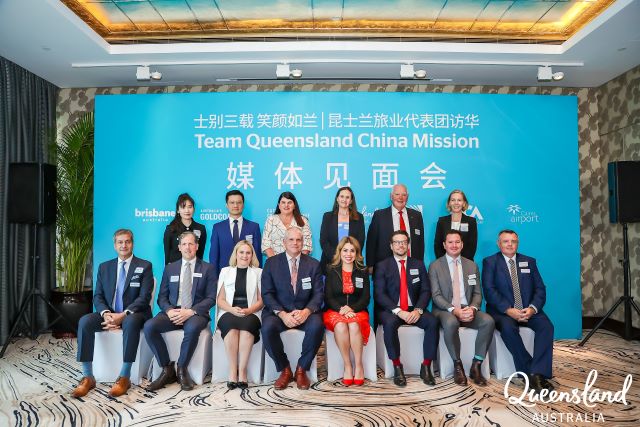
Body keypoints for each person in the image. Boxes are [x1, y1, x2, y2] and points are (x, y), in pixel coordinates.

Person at [72, 229, 153, 398]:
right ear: (115, 245)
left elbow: (144, 297)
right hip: (109, 313)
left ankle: (124, 376)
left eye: (127, 241)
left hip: (134, 313)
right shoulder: (104, 267)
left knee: (130, 322)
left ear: (132, 244)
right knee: (85, 321)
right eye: (120, 242)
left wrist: (123, 315)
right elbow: (98, 296)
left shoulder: (145, 266)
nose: (124, 245)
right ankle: (88, 376)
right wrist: (106, 314)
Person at [482, 229, 555, 393]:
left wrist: (532, 308)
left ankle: (537, 372)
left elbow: (540, 289)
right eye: (505, 241)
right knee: (508, 329)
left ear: (518, 243)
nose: (510, 244)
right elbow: (489, 291)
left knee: (547, 327)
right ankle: (531, 372)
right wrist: (508, 310)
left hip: (528, 310)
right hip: (502, 312)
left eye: (513, 241)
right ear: (499, 244)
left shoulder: (529, 261)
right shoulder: (490, 262)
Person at [145, 231, 216, 391]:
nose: (187, 247)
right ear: (179, 247)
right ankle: (166, 368)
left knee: (192, 328)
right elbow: (162, 297)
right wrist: (169, 310)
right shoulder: (170, 268)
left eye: (191, 244)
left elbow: (211, 298)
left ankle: (182, 369)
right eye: (184, 244)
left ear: (197, 246)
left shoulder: (208, 268)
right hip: (173, 311)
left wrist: (191, 311)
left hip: (195, 313)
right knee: (150, 326)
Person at [261, 227, 324, 390]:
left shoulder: (313, 264)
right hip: (279, 313)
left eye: (298, 240)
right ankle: (285, 369)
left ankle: (301, 369)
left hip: (304, 312)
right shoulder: (271, 263)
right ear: (284, 242)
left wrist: (306, 312)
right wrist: (282, 314)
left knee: (317, 325)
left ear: (303, 242)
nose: (295, 243)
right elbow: (267, 294)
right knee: (267, 328)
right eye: (291, 239)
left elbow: (318, 294)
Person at [429, 230, 494, 386]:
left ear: (462, 244)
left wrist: (472, 308)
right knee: (451, 322)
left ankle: (476, 365)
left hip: (467, 308)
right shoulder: (435, 266)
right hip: (444, 310)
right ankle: (457, 365)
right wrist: (454, 310)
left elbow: (477, 293)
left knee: (488, 321)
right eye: (450, 242)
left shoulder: (471, 265)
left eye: (457, 242)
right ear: (444, 245)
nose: (454, 245)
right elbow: (436, 295)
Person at [374, 230, 438, 387]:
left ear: (408, 245)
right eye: (397, 242)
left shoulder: (418, 264)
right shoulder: (382, 266)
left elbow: (426, 290)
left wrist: (418, 310)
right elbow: (379, 294)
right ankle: (397, 367)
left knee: (433, 322)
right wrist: (398, 311)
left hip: (414, 308)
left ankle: (426, 366)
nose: (400, 245)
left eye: (403, 242)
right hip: (392, 310)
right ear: (391, 246)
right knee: (389, 324)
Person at [216, 240, 264, 390]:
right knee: (231, 329)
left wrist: (249, 310)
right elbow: (220, 300)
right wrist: (231, 309)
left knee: (247, 328)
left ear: (252, 255)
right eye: (241, 252)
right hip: (228, 311)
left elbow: (261, 301)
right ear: (235, 254)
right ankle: (232, 371)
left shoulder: (258, 272)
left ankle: (242, 371)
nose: (244, 255)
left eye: (248, 253)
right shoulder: (225, 271)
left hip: (251, 311)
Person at [323, 237, 370, 386]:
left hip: (357, 310)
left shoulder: (363, 271)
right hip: (335, 310)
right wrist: (341, 309)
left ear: (357, 253)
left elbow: (366, 298)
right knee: (341, 326)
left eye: (352, 251)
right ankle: (348, 365)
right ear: (340, 252)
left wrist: (352, 308)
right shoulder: (331, 270)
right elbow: (328, 297)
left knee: (354, 325)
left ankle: (359, 366)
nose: (348, 254)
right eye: (345, 250)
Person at [366, 184, 424, 271]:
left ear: (407, 197)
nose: (400, 198)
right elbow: (371, 243)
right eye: (397, 194)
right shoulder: (379, 215)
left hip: (411, 267)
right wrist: (370, 265)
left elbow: (420, 243)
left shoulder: (417, 216)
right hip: (385, 268)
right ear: (391, 196)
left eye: (404, 195)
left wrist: (419, 264)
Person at [209, 190, 262, 276]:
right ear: (227, 205)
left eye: (239, 202)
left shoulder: (254, 227)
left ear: (243, 205)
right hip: (224, 275)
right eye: (232, 202)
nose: (235, 205)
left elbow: (257, 254)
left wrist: (258, 276)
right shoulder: (218, 228)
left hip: (249, 275)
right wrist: (214, 278)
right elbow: (213, 256)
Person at [319, 186, 365, 275]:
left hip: (352, 262)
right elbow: (324, 241)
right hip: (330, 262)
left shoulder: (359, 217)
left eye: (347, 197)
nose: (344, 200)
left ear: (351, 201)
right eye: (342, 196)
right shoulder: (328, 216)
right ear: (337, 199)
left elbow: (360, 241)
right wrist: (337, 257)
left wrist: (348, 256)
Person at [262, 191, 312, 258]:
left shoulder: (303, 220)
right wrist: (275, 262)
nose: (286, 205)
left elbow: (306, 245)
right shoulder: (271, 220)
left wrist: (295, 262)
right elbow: (266, 244)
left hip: (298, 262)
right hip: (275, 261)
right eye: (283, 202)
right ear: (279, 205)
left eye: (289, 202)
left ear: (294, 206)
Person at [433, 189, 478, 260]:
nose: (456, 203)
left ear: (464, 203)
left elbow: (472, 246)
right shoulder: (442, 221)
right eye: (453, 200)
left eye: (459, 200)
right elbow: (438, 245)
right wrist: (445, 262)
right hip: (444, 263)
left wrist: (461, 262)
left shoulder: (471, 221)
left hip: (466, 263)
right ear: (449, 203)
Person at [163, 193, 207, 265]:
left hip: (194, 267)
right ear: (178, 210)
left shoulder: (201, 228)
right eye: (183, 207)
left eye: (190, 207)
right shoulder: (171, 229)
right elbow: (167, 254)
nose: (187, 210)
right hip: (175, 268)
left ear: (193, 209)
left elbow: (200, 254)